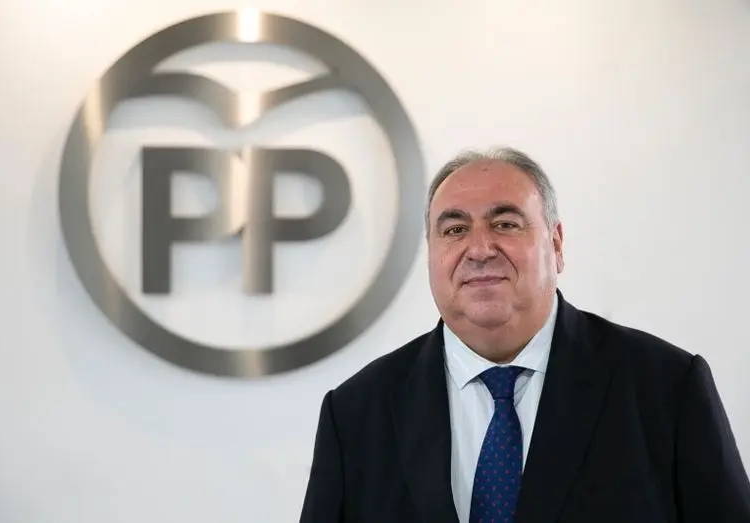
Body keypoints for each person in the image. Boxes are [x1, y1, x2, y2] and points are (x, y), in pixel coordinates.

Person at [298, 146, 750, 523]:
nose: (479, 249)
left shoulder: (666, 387)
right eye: (454, 230)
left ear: (556, 244)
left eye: (505, 224)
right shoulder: (356, 413)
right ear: (432, 255)